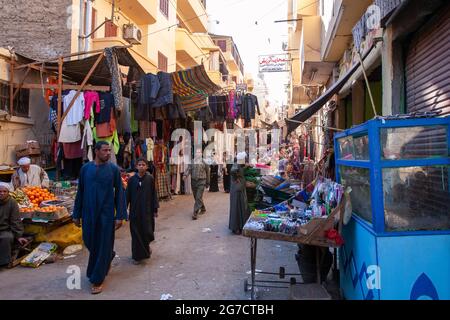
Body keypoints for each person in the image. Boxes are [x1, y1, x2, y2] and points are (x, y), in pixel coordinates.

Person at [72, 141, 127, 294]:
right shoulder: (85, 169)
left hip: (106, 214)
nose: (108, 153)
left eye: (109, 150)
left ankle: (97, 279)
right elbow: (80, 192)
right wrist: (76, 214)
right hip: (88, 213)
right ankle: (108, 255)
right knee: (90, 241)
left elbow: (120, 193)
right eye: (105, 150)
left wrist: (120, 215)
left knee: (102, 244)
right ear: (96, 151)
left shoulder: (113, 170)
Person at [126, 158, 159, 265]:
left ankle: (146, 249)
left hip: (147, 212)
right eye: (139, 165)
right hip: (135, 212)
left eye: (143, 165)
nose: (141, 166)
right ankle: (137, 257)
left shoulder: (150, 179)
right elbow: (127, 196)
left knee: (147, 232)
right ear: (136, 167)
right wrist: (124, 210)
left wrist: (155, 209)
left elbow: (154, 194)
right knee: (135, 234)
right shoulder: (131, 180)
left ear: (146, 167)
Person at [0, 183, 27, 267]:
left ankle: (3, 262)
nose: (2, 193)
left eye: (4, 191)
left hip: (6, 229)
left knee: (6, 238)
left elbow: (15, 220)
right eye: (0, 191)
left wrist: (18, 235)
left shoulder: (12, 203)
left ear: (8, 192)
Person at [229, 152, 251, 235]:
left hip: (239, 188)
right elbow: (233, 171)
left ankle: (240, 226)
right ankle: (236, 227)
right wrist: (236, 178)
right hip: (237, 189)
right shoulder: (236, 164)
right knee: (236, 207)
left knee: (240, 207)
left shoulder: (239, 165)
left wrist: (246, 166)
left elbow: (239, 170)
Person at [184, 155, 210, 220]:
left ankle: (195, 213)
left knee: (198, 197)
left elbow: (208, 172)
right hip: (194, 182)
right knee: (196, 197)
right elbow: (188, 169)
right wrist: (185, 175)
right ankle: (203, 208)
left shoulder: (204, 162)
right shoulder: (192, 161)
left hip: (202, 181)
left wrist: (208, 182)